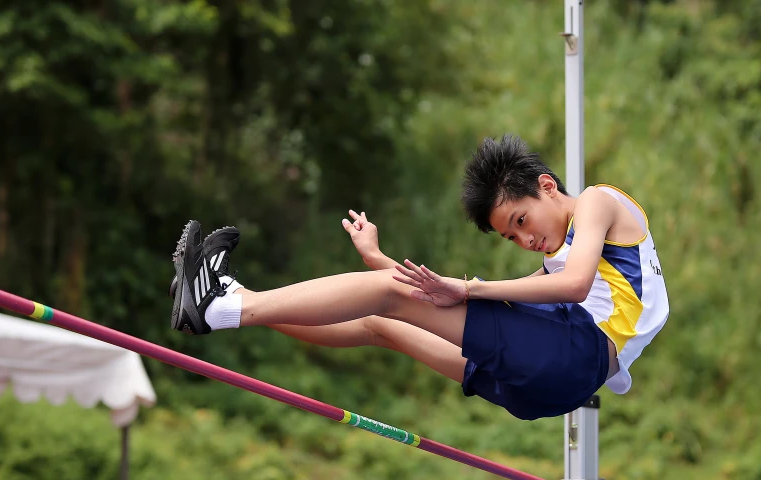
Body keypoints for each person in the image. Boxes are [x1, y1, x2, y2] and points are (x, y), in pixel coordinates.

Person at [169, 135, 669, 420]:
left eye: (520, 222)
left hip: (576, 359)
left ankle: (219, 306)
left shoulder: (597, 202)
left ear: (546, 186)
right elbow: (448, 303)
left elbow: (573, 287)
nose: (526, 241)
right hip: (546, 382)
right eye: (511, 239)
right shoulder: (560, 265)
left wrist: (469, 287)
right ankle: (232, 304)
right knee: (381, 323)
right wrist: (379, 258)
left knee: (393, 297)